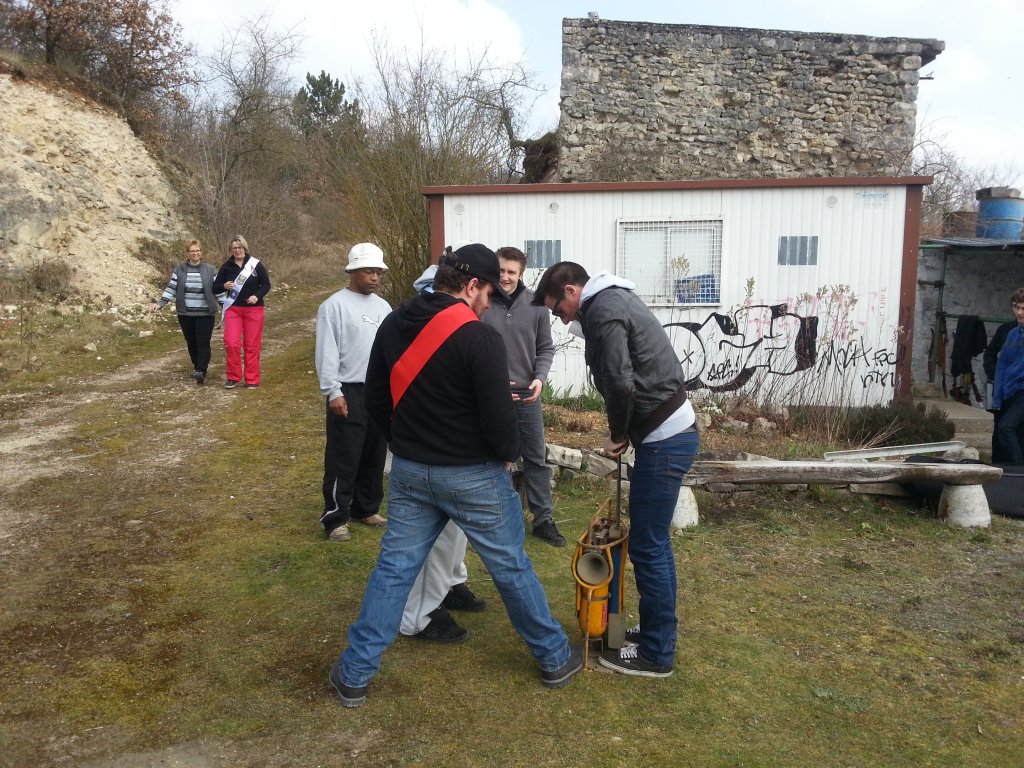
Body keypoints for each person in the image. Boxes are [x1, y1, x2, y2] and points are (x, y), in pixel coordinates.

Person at [329, 243, 582, 707]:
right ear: (471, 286)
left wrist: (405, 446)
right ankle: (553, 657)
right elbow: (500, 421)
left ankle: (354, 674)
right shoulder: (479, 338)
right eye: (487, 292)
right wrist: (506, 457)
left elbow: (380, 402)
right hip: (472, 476)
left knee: (393, 570)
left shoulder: (394, 321)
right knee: (511, 567)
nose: (488, 302)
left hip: (409, 471)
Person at [532, 262, 699, 679]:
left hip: (664, 438)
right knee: (651, 543)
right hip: (668, 432)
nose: (560, 318)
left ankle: (657, 654)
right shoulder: (612, 300)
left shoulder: (603, 310)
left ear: (572, 291)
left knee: (648, 546)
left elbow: (621, 381)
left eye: (558, 309)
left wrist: (617, 433)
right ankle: (656, 632)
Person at [399, 257, 488, 643]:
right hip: (429, 453)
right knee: (435, 537)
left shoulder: (462, 328)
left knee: (455, 534)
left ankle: (450, 584)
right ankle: (417, 614)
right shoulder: (414, 328)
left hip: (453, 452)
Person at [482, 246, 564, 547]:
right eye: (501, 270)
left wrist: (539, 378)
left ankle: (543, 519)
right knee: (493, 459)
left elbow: (546, 348)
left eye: (511, 272)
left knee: (535, 459)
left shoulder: (537, 305)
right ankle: (501, 517)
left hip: (528, 396)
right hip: (492, 396)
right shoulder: (482, 302)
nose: (504, 277)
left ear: (522, 273)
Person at [315, 243, 391, 543]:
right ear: (353, 272)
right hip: (348, 389)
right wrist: (333, 391)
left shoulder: (384, 307)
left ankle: (366, 507)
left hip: (378, 389)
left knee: (374, 451)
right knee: (344, 454)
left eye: (378, 272)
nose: (375, 277)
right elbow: (327, 351)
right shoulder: (333, 306)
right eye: (368, 271)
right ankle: (335, 516)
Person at [151, 239, 222, 384]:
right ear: (187, 253)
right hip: (185, 314)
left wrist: (227, 306)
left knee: (203, 342)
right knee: (191, 342)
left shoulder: (210, 269)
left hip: (205, 313)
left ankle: (202, 370)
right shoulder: (179, 269)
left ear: (201, 252)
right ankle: (197, 367)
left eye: (197, 250)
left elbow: (218, 290)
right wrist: (160, 303)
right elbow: (171, 288)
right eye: (192, 251)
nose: (195, 253)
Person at [213, 235, 271, 388]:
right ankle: (233, 377)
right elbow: (215, 287)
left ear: (245, 248)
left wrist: (257, 296)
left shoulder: (255, 265)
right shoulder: (226, 267)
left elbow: (266, 285)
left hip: (254, 309)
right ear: (230, 250)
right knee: (231, 342)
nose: (237, 250)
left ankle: (252, 379)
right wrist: (224, 286)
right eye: (234, 248)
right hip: (234, 309)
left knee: (252, 345)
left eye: (240, 247)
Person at [992, 289, 1024, 464]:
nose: (1019, 312)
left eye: (1023, 308)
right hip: (1010, 392)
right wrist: (997, 398)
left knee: (1006, 428)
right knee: (1010, 431)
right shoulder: (1012, 334)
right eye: (1016, 307)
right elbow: (1002, 365)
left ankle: (1019, 470)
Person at [984, 317, 1018, 462]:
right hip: (1004, 391)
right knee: (999, 429)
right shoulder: (1006, 330)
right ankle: (998, 466)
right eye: (1017, 307)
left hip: (1020, 391)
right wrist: (997, 377)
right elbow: (990, 355)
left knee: (1011, 428)